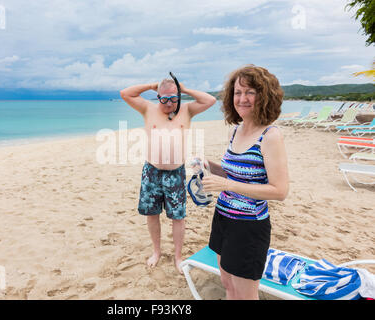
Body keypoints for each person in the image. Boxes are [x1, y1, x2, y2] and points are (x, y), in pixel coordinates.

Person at [201, 65, 289, 299]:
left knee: (246, 295)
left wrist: (227, 186)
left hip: (248, 227)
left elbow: (280, 191)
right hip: (223, 219)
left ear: (264, 95)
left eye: (250, 92)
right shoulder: (236, 131)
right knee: (228, 285)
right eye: (238, 92)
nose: (242, 98)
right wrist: (206, 165)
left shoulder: (270, 136)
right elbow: (234, 174)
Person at [120, 78, 216, 273]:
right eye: (164, 100)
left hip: (176, 173)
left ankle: (178, 256)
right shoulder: (148, 108)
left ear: (179, 96)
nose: (169, 103)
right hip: (151, 171)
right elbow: (126, 93)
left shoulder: (187, 110)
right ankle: (157, 252)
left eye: (173, 98)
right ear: (158, 97)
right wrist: (149, 85)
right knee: (152, 213)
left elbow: (210, 100)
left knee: (178, 216)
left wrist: (186, 88)